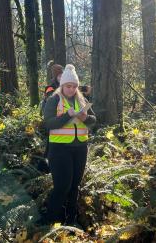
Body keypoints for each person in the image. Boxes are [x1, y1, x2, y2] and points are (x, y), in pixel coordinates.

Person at [43, 64, 96, 226]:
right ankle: (51, 220)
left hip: (80, 148)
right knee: (62, 186)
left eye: (74, 86)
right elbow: (48, 124)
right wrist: (67, 115)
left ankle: (71, 221)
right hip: (59, 149)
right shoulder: (54, 99)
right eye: (68, 86)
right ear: (62, 85)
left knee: (74, 186)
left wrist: (84, 118)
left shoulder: (82, 100)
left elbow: (93, 121)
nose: (71, 89)